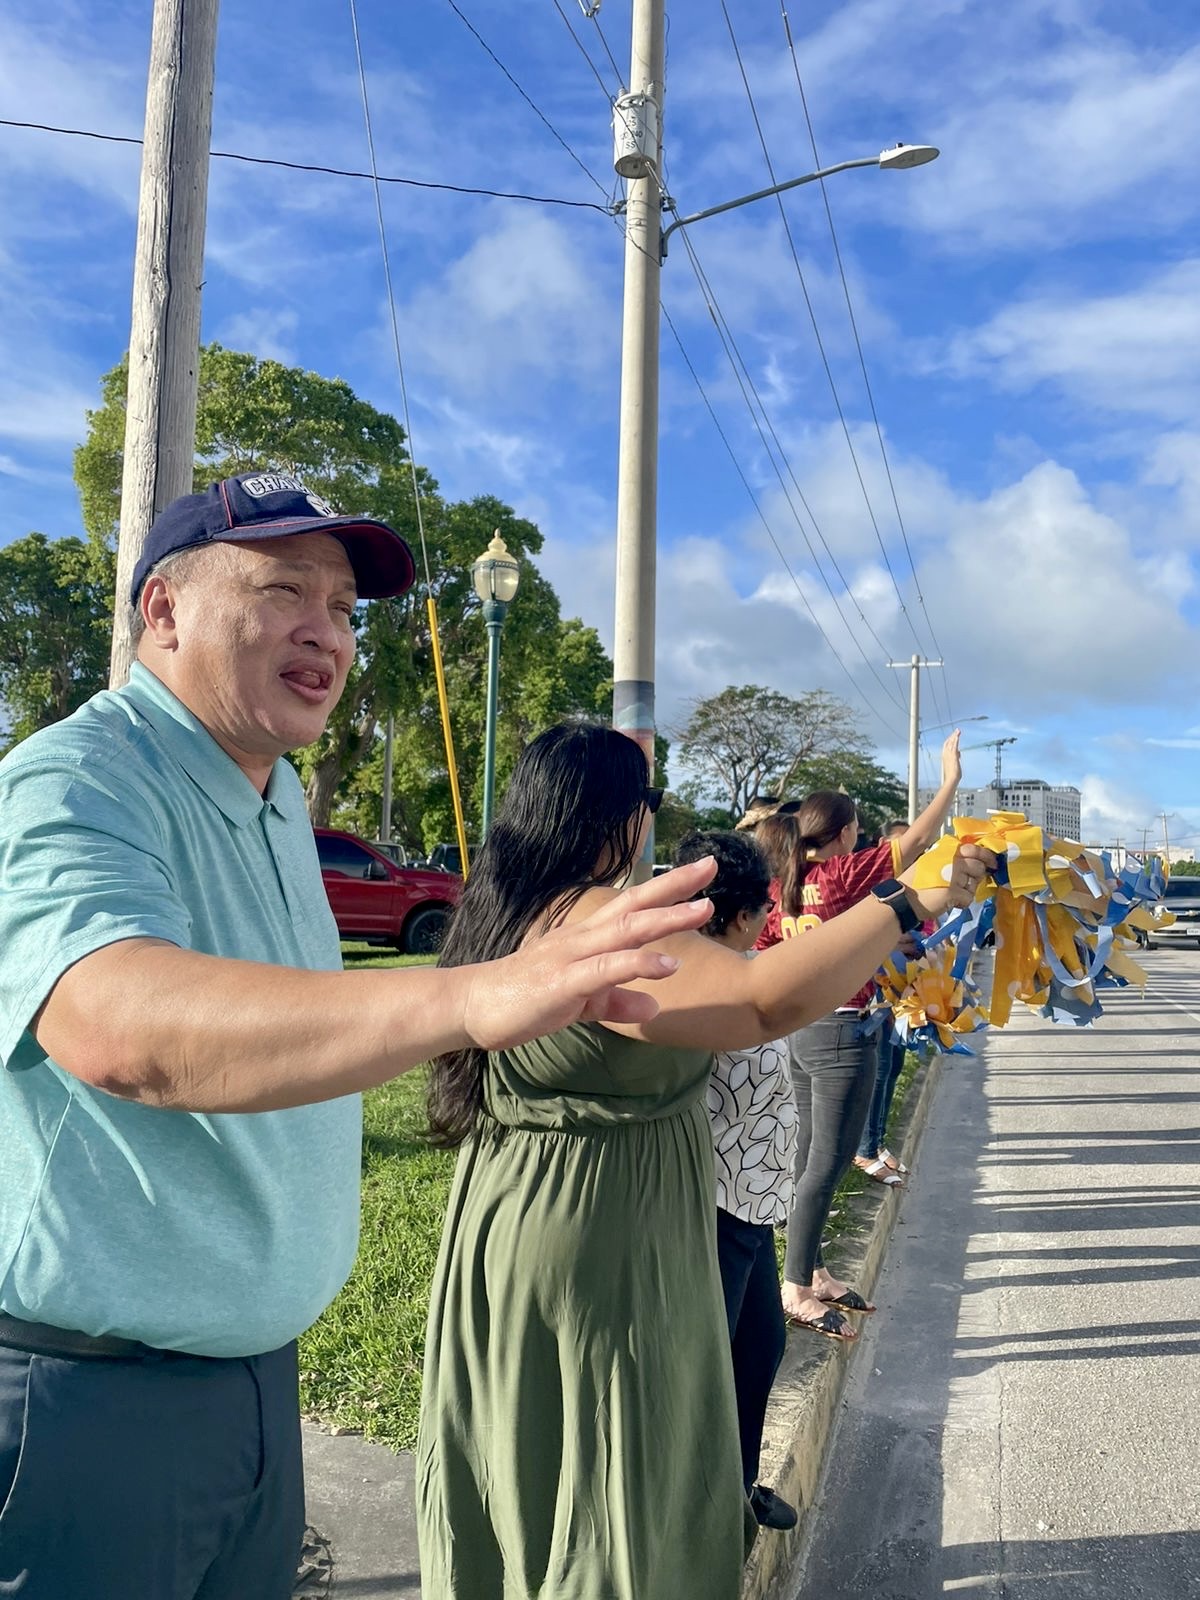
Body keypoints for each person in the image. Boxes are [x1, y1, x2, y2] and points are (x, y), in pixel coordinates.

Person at [0, 472, 725, 1600]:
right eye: (283, 589)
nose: (325, 631)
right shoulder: (76, 779)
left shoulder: (277, 797)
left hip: (250, 1385)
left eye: (344, 608)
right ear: (164, 610)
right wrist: (476, 996)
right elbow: (116, 1023)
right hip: (90, 1401)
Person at [416, 724, 990, 1600]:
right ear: (613, 816)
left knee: (535, 1450)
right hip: (604, 1233)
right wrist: (909, 904)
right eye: (646, 803)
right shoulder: (590, 918)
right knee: (620, 1469)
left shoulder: (501, 906)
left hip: (514, 1210)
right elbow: (761, 1002)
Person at [755, 733, 963, 1342]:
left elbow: (784, 949)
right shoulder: (844, 875)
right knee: (827, 1160)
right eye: (858, 830)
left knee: (808, 1155)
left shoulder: (779, 883)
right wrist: (948, 779)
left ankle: (808, 1267)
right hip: (844, 1033)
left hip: (799, 1032)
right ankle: (795, 1286)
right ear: (845, 833)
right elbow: (918, 841)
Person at [674, 828, 798, 1534]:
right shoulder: (706, 984)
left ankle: (737, 1485)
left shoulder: (745, 970)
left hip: (750, 1206)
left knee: (759, 1348)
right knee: (707, 1374)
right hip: (713, 1208)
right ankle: (698, 1516)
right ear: (748, 912)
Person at [854, 818, 919, 1187]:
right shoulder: (869, 885)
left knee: (892, 1065)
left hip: (900, 992)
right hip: (871, 994)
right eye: (903, 846)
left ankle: (876, 1143)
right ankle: (865, 1148)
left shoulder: (913, 884)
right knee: (878, 1070)